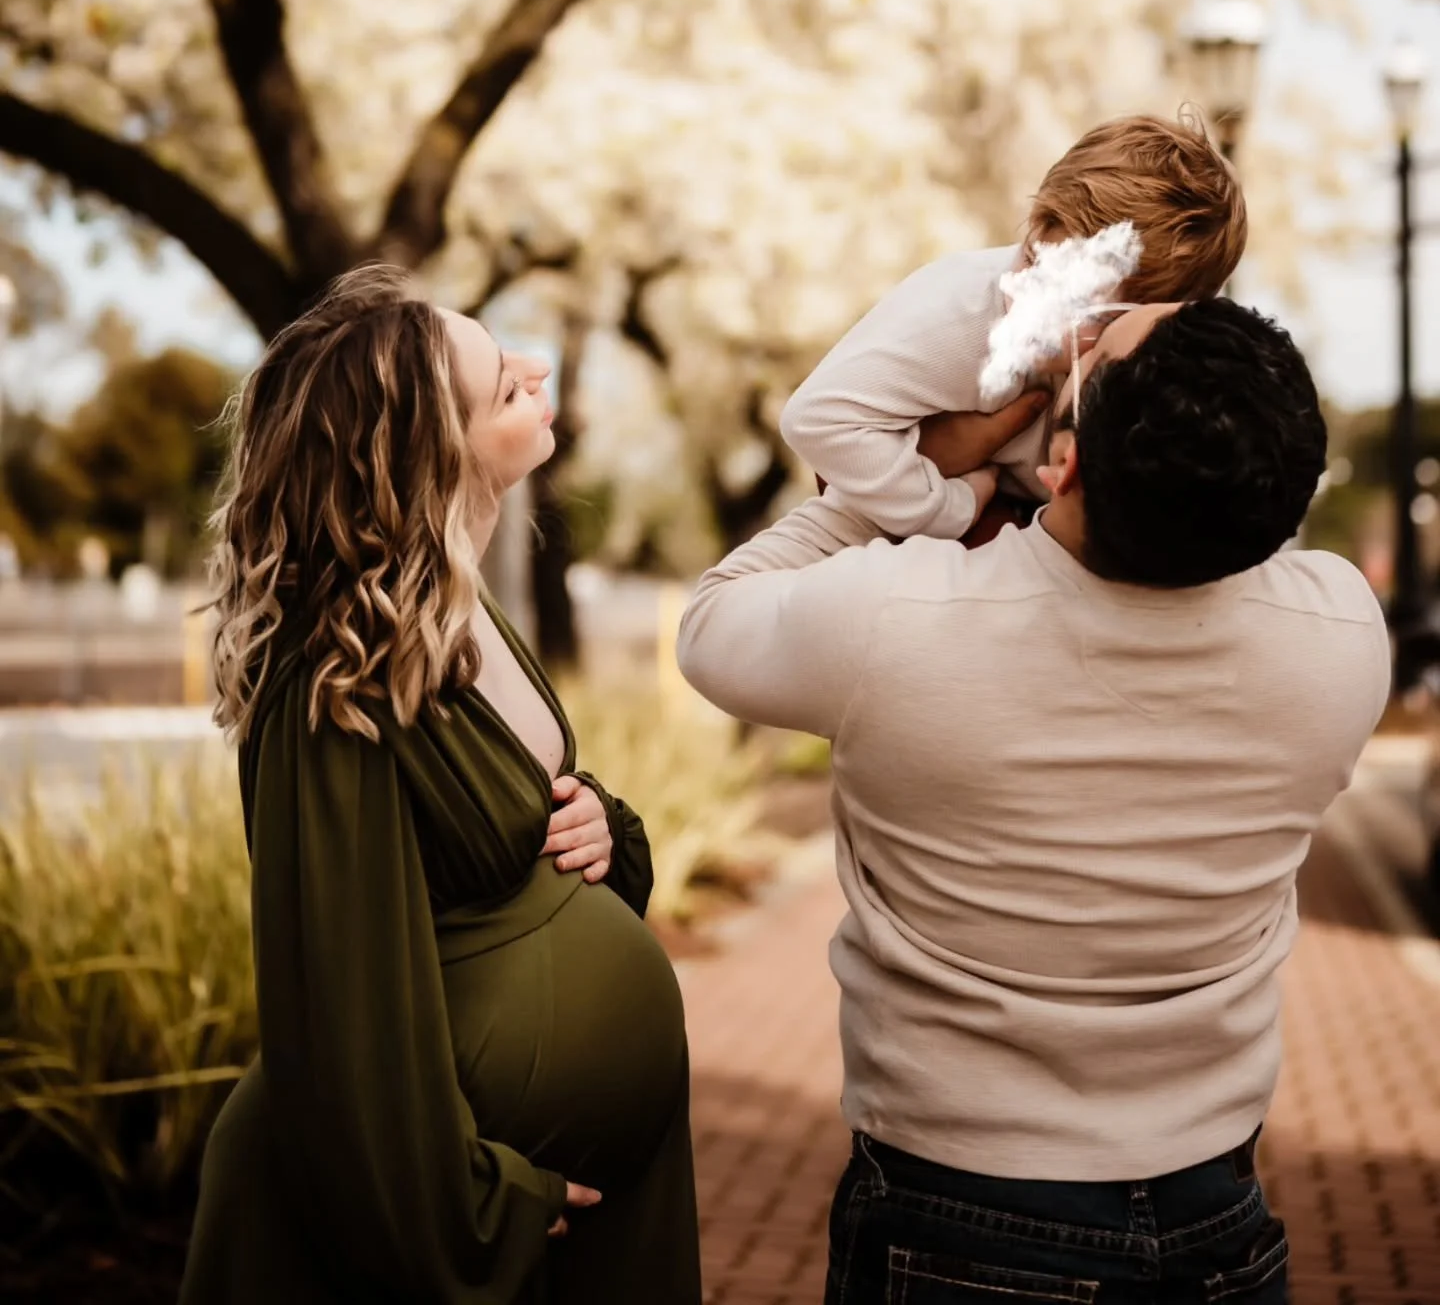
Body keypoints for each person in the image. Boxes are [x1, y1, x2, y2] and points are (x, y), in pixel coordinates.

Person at [679, 299, 1389, 1304]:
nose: (1082, 333)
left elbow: (712, 622)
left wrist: (899, 489)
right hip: (1217, 1214)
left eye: (1094, 350)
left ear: (1063, 462)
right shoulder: (1341, 633)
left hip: (954, 1211)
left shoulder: (898, 618)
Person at [181, 265, 701, 1305]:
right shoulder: (337, 675)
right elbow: (341, 994)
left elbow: (491, 836)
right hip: (411, 1205)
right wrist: (462, 1207)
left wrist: (598, 824)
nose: (540, 368)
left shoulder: (451, 611)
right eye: (505, 383)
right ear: (432, 455)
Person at [781, 112, 1246, 538]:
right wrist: (951, 508)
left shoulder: (1160, 375)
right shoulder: (957, 311)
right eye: (1034, 263)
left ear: (1156, 318)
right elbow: (818, 419)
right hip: (923, 529)